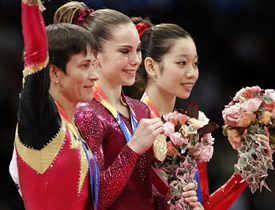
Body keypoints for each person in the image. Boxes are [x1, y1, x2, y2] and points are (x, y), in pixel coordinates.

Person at [54, 2, 202, 209]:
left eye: (138, 50)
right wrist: (133, 148)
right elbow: (95, 199)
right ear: (94, 55)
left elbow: (141, 191)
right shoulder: (86, 113)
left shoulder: (140, 110)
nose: (136, 60)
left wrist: (172, 198)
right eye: (125, 52)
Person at [130, 17, 249, 210]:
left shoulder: (190, 130)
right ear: (151, 66)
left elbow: (203, 204)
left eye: (195, 63)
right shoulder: (131, 123)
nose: (192, 73)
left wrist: (245, 172)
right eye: (181, 63)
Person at [11, 0, 99, 209]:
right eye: (85, 65)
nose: (95, 76)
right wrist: (30, 7)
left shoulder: (73, 125)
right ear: (55, 73)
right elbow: (36, 58)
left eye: (94, 65)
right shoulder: (41, 122)